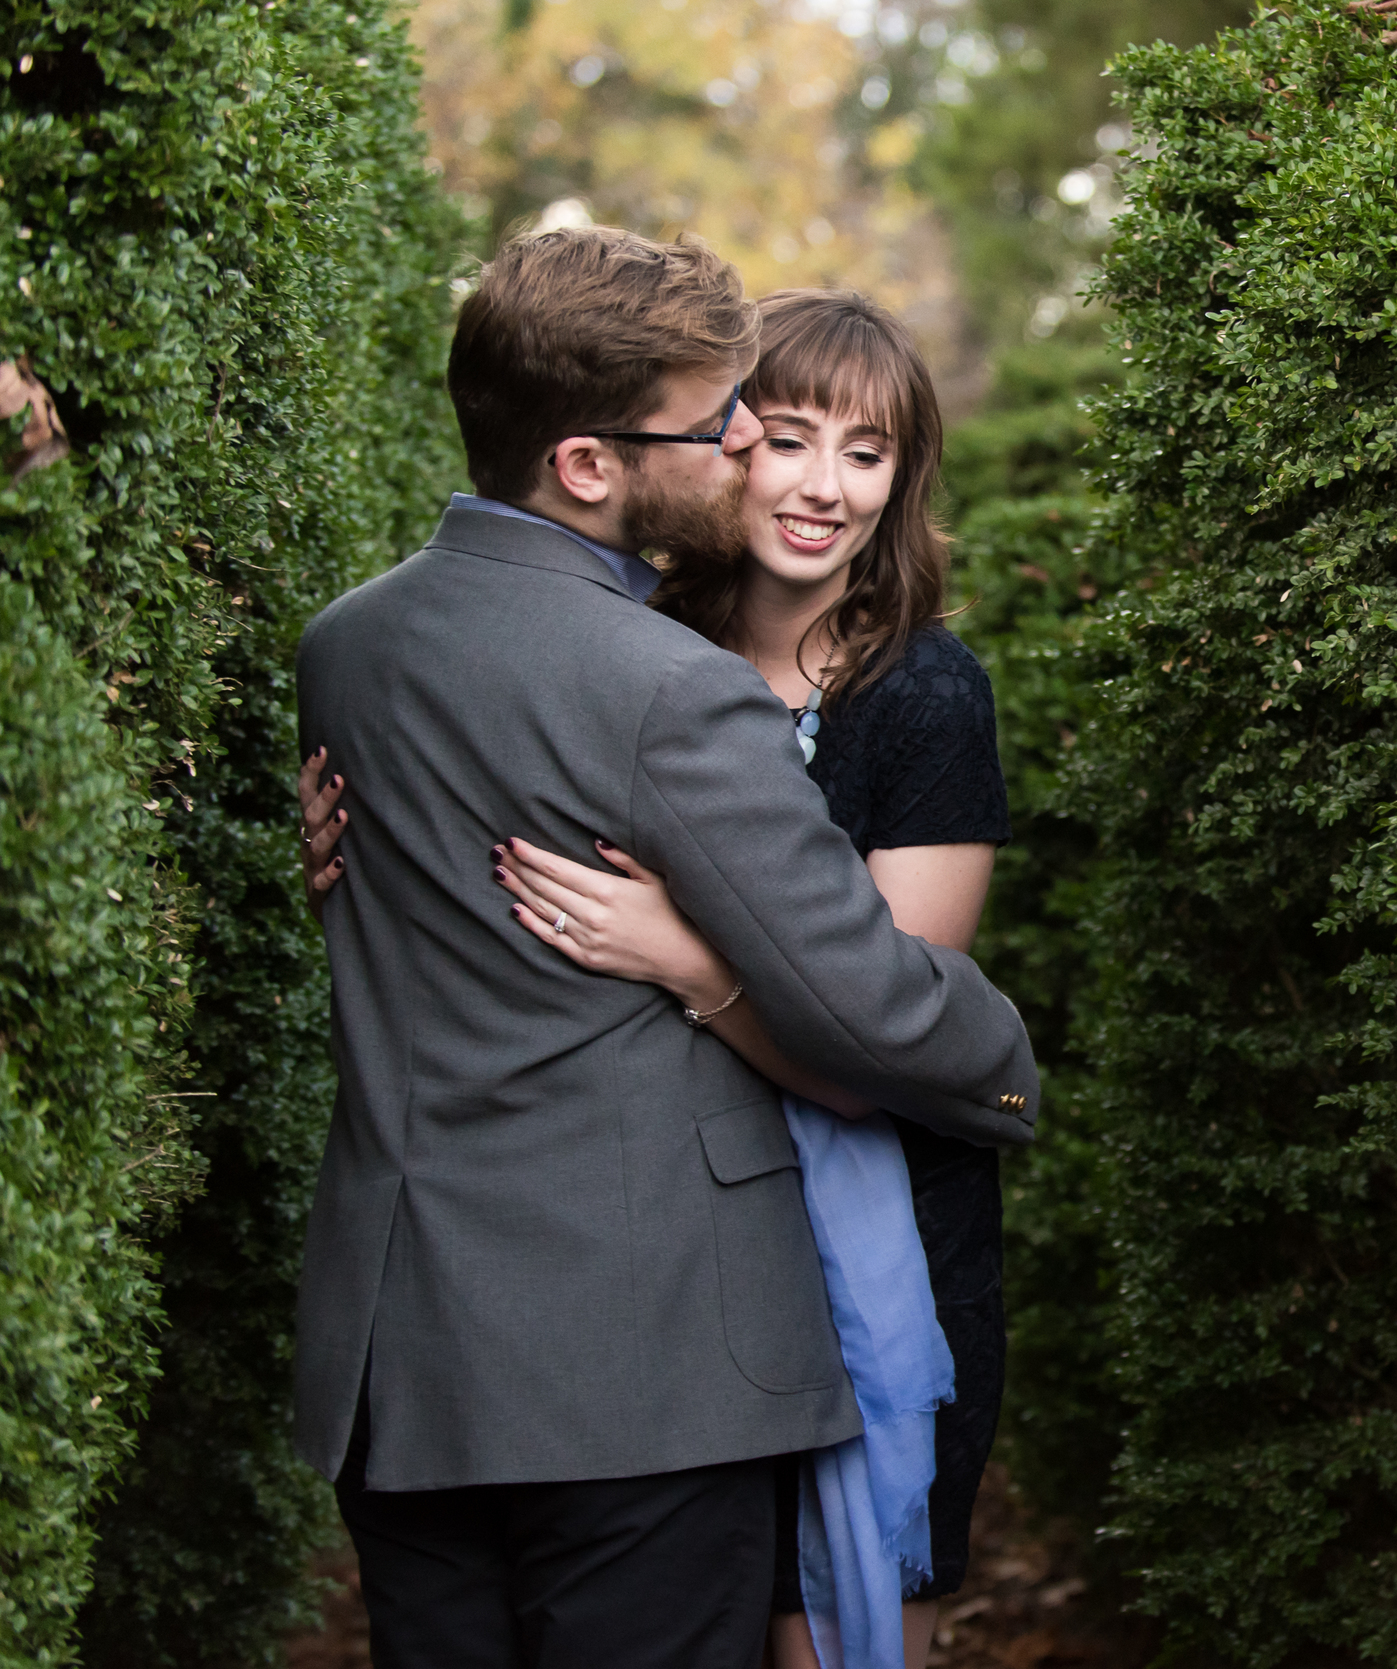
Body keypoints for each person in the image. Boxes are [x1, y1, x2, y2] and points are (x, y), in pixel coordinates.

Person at [288, 227, 1037, 1669]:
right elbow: (873, 1001)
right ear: (585, 463)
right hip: (635, 1365)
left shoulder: (346, 647)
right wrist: (1003, 1067)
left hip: (402, 1358)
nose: (750, 446)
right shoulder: (670, 684)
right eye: (721, 425)